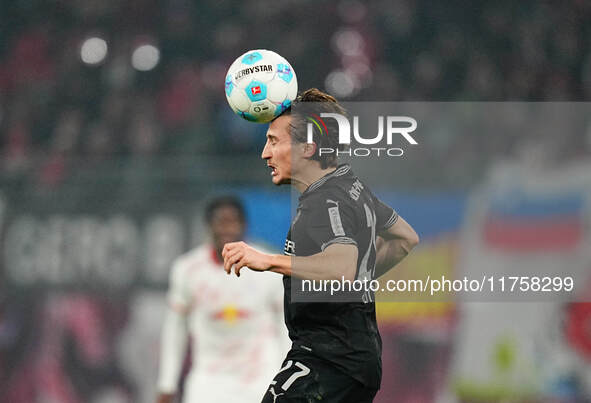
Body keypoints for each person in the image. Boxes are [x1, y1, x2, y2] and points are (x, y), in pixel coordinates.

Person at [222, 88, 420, 402]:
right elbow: (406, 238)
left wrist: (267, 260)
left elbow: (341, 268)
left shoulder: (324, 202)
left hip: (328, 360)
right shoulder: (352, 188)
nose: (265, 153)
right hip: (356, 360)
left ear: (308, 148)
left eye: (274, 141)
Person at [156, 196, 289, 403]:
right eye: (220, 221)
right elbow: (176, 328)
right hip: (210, 380)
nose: (227, 229)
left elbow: (285, 325)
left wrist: (286, 377)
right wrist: (167, 383)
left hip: (261, 376)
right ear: (209, 226)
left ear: (244, 225)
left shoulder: (267, 266)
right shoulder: (188, 270)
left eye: (233, 221)